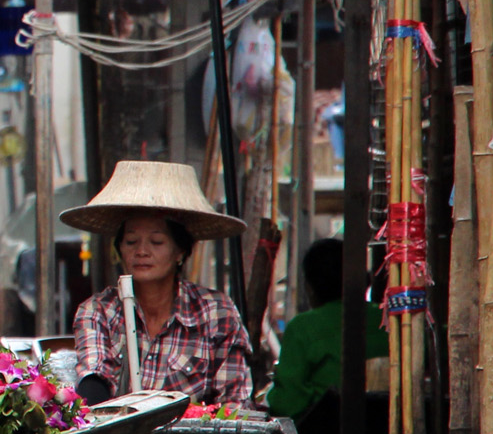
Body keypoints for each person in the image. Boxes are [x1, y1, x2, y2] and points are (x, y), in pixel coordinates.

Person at [59, 161, 255, 408]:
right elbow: (95, 373)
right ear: (120, 250)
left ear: (180, 251)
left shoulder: (216, 313)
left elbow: (234, 401)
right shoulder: (99, 311)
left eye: (157, 242)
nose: (142, 251)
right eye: (131, 242)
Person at [267, 237, 386, 420]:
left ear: (310, 288)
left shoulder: (302, 328)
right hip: (388, 427)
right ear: (366, 280)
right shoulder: (390, 320)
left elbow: (287, 402)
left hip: (326, 433)